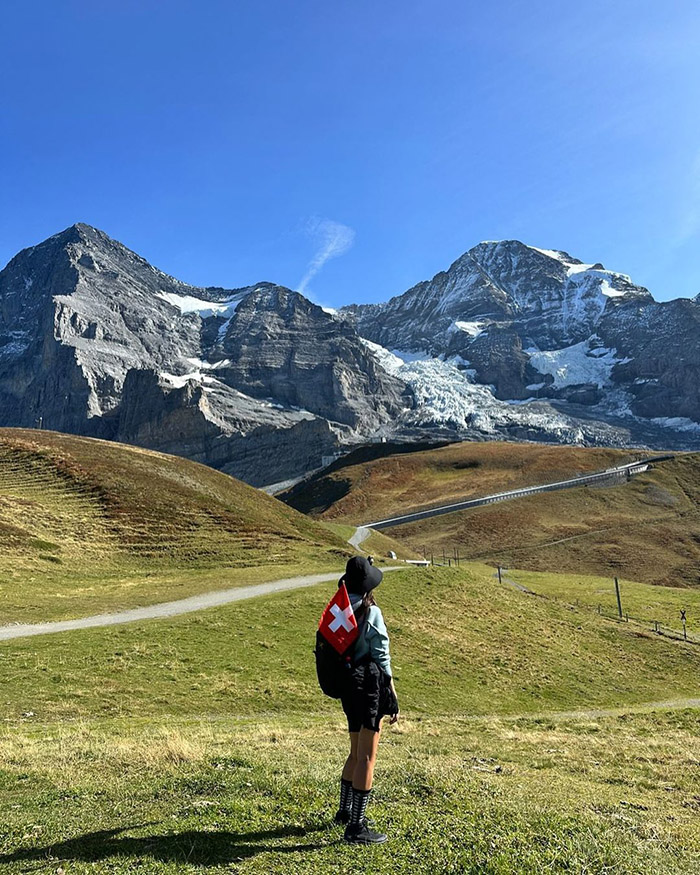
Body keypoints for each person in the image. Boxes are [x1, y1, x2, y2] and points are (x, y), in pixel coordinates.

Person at [334, 556, 399, 844]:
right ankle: (356, 827)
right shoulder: (371, 612)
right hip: (369, 688)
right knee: (367, 757)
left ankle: (344, 812)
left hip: (347, 687)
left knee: (354, 752)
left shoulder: (340, 610)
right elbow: (381, 655)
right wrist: (392, 692)